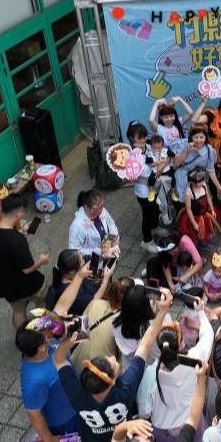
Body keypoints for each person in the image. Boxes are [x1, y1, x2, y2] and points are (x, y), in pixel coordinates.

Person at [54, 289, 173, 441]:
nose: (112, 357)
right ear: (111, 382)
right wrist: (163, 311)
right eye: (112, 363)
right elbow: (145, 345)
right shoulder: (126, 389)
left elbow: (58, 359)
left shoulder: (77, 395)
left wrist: (70, 339)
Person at [137, 297, 214, 440]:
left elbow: (144, 411)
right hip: (192, 423)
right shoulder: (194, 361)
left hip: (161, 431)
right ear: (181, 344)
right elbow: (208, 336)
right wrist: (201, 312)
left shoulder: (150, 372)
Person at [0, 194, 50, 329]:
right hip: (27, 285)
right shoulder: (17, 241)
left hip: (6, 286)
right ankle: (43, 330)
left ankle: (23, 335)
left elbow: (4, 243)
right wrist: (42, 261)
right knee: (43, 304)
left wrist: (21, 232)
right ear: (19, 214)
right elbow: (27, 269)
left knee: (18, 312)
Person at [16, 324, 79, 440]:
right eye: (45, 333)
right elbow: (34, 416)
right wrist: (50, 440)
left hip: (77, 404)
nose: (49, 331)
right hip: (67, 421)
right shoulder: (32, 382)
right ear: (41, 347)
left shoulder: (48, 344)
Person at [113, 285, 172, 370]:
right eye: (150, 301)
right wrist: (163, 312)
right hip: (151, 370)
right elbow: (171, 342)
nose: (152, 301)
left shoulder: (116, 323)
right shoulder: (155, 330)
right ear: (145, 310)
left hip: (130, 367)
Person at [126, 121, 163, 254]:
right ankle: (146, 241)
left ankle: (155, 227)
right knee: (147, 214)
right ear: (131, 138)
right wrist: (130, 176)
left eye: (143, 136)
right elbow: (129, 175)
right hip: (143, 190)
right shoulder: (129, 155)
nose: (142, 140)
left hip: (155, 186)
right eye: (139, 137)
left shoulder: (149, 146)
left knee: (155, 209)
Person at [45, 249, 111, 317]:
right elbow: (93, 302)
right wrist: (106, 279)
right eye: (82, 264)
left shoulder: (64, 271)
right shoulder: (76, 297)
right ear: (72, 272)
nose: (84, 261)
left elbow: (88, 259)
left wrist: (103, 256)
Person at [68, 190, 119, 260]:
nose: (103, 208)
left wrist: (111, 242)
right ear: (90, 209)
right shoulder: (76, 227)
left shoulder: (101, 210)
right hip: (91, 265)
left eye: (102, 205)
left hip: (107, 256)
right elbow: (74, 252)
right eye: (100, 206)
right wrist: (100, 252)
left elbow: (111, 224)